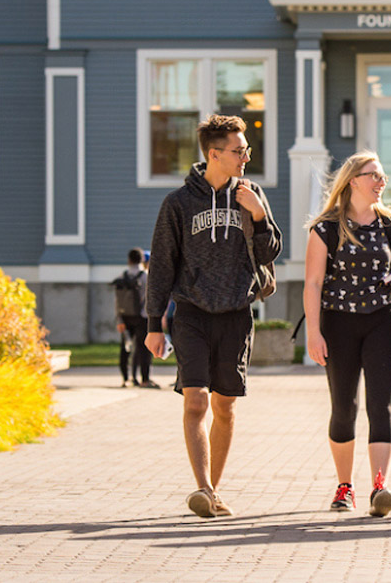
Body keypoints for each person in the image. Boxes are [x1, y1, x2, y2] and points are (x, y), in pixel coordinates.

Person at [144, 114, 282, 519]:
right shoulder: (178, 203)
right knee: (196, 401)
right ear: (213, 153)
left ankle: (213, 491)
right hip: (191, 313)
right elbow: (163, 267)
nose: (245, 157)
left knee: (225, 407)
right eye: (239, 151)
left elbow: (270, 251)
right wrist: (155, 324)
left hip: (237, 314)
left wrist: (258, 215)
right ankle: (202, 487)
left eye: (246, 150)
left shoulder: (252, 193)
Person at [303, 151, 391, 517]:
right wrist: (313, 333)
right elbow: (313, 283)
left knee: (380, 405)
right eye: (374, 175)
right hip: (337, 323)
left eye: (383, 176)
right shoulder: (325, 227)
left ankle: (379, 486)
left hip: (383, 320)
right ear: (353, 180)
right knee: (344, 406)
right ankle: (344, 487)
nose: (381, 181)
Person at [114, 247, 157, 388]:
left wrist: (119, 319)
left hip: (125, 317)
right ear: (142, 260)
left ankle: (126, 379)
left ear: (129, 260)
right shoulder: (146, 276)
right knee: (144, 349)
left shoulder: (122, 276)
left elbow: (117, 300)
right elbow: (151, 298)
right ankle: (145, 379)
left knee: (125, 348)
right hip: (142, 317)